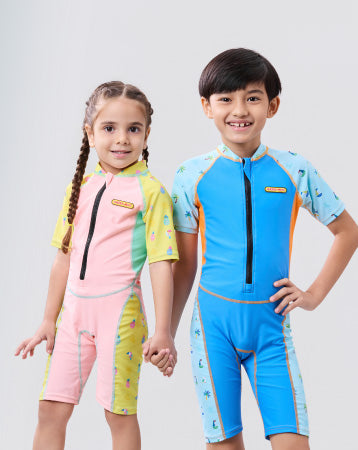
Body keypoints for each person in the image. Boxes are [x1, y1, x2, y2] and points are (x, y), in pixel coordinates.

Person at [161, 48, 358, 449]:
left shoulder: (294, 169)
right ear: (207, 107)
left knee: (293, 442)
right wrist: (166, 331)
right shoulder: (191, 175)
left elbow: (347, 232)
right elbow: (184, 266)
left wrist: (313, 295)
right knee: (225, 444)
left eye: (252, 97)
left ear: (272, 106)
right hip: (212, 327)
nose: (240, 110)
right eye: (226, 99)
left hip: (271, 329)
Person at [14, 81, 179, 450]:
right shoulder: (80, 187)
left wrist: (163, 330)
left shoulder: (151, 192)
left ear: (146, 134)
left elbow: (161, 264)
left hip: (120, 317)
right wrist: (48, 319)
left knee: (117, 414)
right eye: (109, 128)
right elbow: (63, 256)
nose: (121, 139)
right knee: (50, 409)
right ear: (89, 133)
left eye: (133, 129)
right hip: (72, 316)